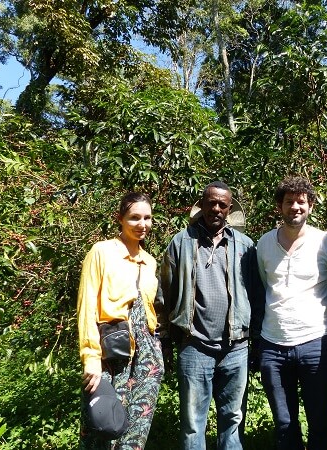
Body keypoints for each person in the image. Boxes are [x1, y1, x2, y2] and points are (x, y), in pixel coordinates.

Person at [156, 181, 260, 450]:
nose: (216, 208)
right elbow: (164, 292)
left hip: (236, 348)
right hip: (194, 345)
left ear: (229, 208)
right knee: (193, 423)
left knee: (233, 420)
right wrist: (165, 335)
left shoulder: (245, 246)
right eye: (211, 203)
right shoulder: (181, 242)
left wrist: (257, 340)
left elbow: (257, 294)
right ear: (201, 205)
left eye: (222, 204)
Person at [254, 177, 327, 450]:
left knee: (320, 424)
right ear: (279, 206)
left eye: (301, 201)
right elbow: (265, 287)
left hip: (316, 344)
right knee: (284, 425)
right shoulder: (264, 244)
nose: (295, 207)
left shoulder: (326, 242)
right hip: (273, 346)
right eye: (289, 201)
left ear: (310, 206)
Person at [77, 192, 164, 449]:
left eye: (147, 218)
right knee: (102, 428)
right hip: (111, 354)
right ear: (120, 219)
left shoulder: (149, 262)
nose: (142, 224)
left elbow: (150, 311)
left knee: (136, 433)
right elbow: (86, 307)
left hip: (146, 357)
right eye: (134, 218)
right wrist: (91, 359)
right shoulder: (102, 252)